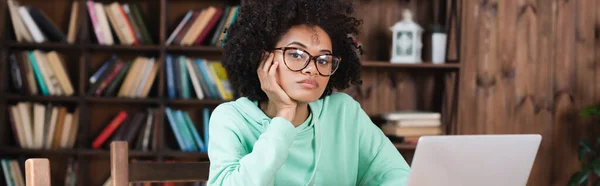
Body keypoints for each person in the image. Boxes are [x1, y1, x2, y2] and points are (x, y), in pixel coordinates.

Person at [207, 0, 411, 185]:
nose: (312, 68)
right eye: (296, 54)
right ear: (263, 58)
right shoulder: (231, 118)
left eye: (323, 60)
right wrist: (284, 114)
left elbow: (398, 177)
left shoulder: (344, 112)